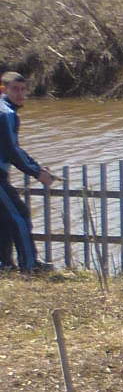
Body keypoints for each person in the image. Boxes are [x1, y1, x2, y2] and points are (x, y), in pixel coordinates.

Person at [0, 70, 55, 272]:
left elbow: (13, 147)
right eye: (15, 89)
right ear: (3, 89)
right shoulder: (6, 114)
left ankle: (4, 265)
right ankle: (30, 267)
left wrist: (35, 165)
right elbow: (11, 150)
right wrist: (37, 173)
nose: (20, 94)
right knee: (19, 216)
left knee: (4, 219)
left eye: (23, 90)